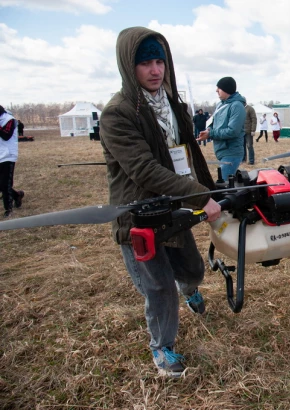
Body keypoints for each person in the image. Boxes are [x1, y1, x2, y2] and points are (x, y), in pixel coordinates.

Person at [99, 27, 222, 378]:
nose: (155, 70)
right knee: (158, 286)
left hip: (175, 207)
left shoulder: (173, 104)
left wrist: (213, 190)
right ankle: (163, 348)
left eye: (159, 61)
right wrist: (201, 195)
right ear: (128, 66)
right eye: (145, 63)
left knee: (193, 270)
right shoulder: (117, 114)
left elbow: (190, 153)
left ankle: (190, 290)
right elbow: (142, 169)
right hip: (140, 213)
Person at [197, 77, 246, 179]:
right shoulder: (220, 105)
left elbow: (233, 131)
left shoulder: (237, 106)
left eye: (219, 88)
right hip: (222, 151)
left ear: (226, 89)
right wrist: (208, 130)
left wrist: (211, 134)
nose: (216, 90)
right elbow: (213, 123)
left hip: (231, 152)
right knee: (226, 184)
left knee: (225, 186)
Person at [0, 106, 25, 218]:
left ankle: (8, 209)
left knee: (6, 184)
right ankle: (17, 195)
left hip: (8, 155)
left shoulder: (9, 119)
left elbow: (6, 135)